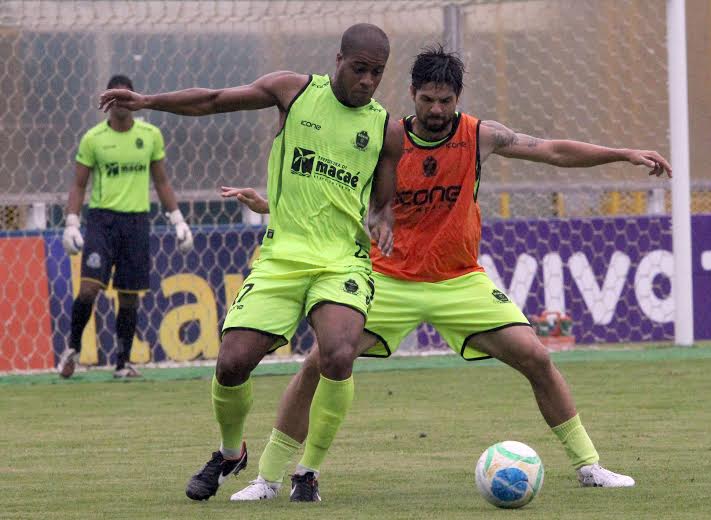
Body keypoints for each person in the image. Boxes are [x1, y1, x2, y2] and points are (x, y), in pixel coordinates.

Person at [221, 45, 672, 502]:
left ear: (458, 98)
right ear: (412, 94)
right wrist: (268, 203)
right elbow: (328, 182)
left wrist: (622, 152)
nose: (436, 110)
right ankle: (270, 478)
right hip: (389, 279)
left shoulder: (480, 136)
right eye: (427, 100)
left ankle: (589, 465)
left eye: (446, 101)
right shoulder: (383, 135)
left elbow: (553, 151)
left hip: (459, 280)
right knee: (318, 364)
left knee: (536, 356)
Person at [98, 24, 403, 502]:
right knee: (232, 363)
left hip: (342, 261)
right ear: (338, 59)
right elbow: (215, 99)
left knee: (339, 354)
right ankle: (229, 452)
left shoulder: (387, 128)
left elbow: (384, 203)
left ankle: (307, 472)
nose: (368, 81)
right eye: (360, 69)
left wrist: (384, 222)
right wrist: (148, 101)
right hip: (281, 258)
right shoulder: (294, 91)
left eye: (377, 73)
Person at [57, 74, 193, 380]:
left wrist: (178, 220)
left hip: (136, 222)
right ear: (107, 100)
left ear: (133, 98)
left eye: (125, 95)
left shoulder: (150, 135)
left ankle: (122, 363)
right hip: (102, 221)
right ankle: (73, 349)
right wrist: (71, 222)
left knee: (129, 295)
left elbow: (161, 181)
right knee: (90, 288)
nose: (120, 101)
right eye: (114, 96)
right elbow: (79, 184)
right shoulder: (93, 138)